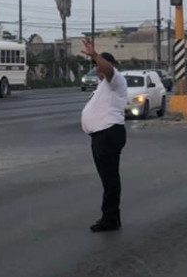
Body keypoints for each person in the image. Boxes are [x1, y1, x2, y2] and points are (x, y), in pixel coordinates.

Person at [80, 38, 127, 232]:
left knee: (110, 178)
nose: (97, 69)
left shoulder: (115, 79)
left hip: (109, 133)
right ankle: (113, 216)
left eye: (99, 65)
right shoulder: (102, 85)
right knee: (107, 178)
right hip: (101, 135)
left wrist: (93, 54)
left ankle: (109, 217)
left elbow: (108, 70)